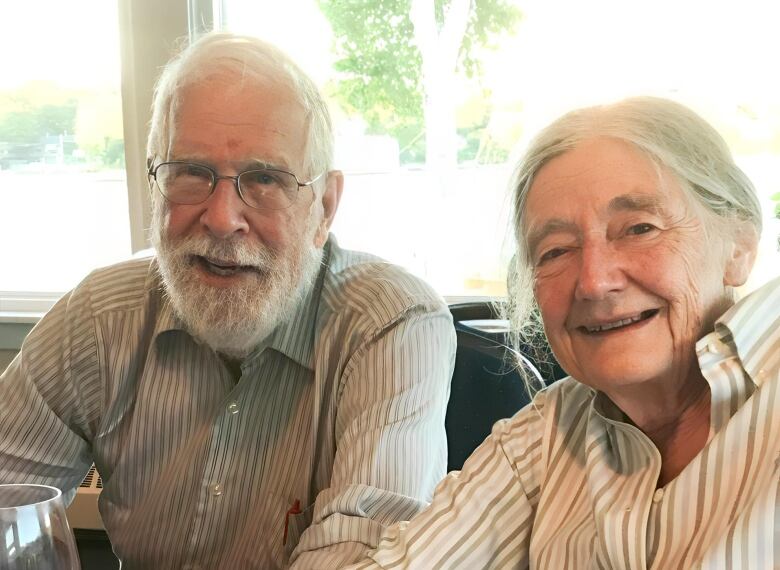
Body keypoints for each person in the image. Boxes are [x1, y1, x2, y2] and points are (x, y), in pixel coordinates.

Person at [0, 33, 456, 569]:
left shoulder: (390, 325)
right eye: (191, 172)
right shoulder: (99, 318)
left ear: (325, 209)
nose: (221, 218)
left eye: (265, 179)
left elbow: (364, 558)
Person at [347, 96, 779, 569]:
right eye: (555, 251)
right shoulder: (544, 435)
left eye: (638, 228)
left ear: (740, 245)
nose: (594, 281)